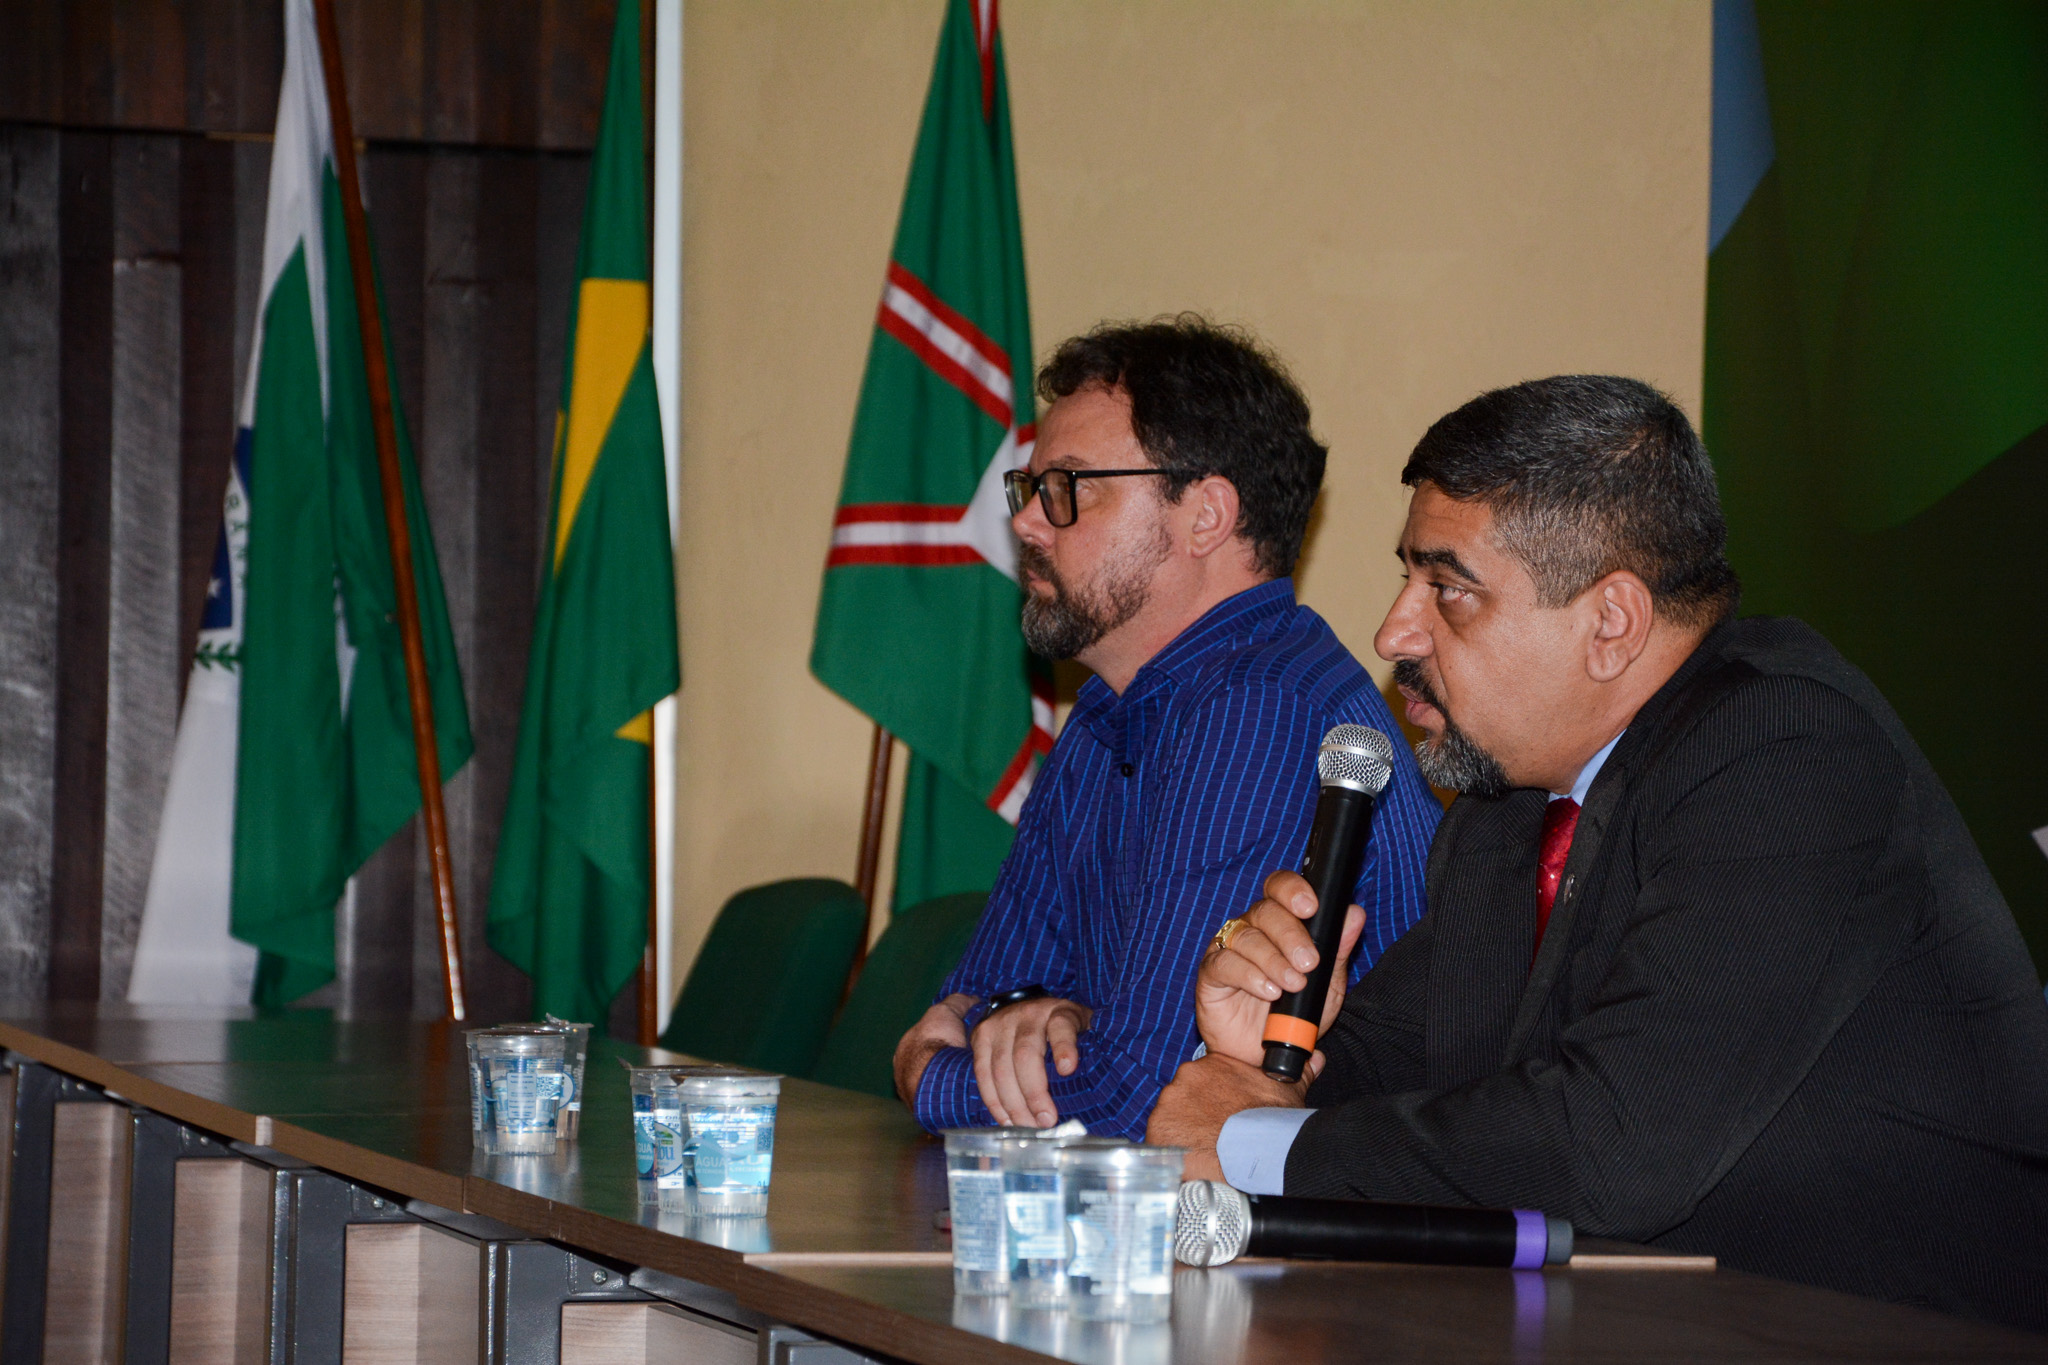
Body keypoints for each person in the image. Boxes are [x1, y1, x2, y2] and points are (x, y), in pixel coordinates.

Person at [1149, 375, 2048, 1328]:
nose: (1393, 630)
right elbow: (1409, 1065)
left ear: (1611, 623)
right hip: (1652, 1328)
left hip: (1898, 1337)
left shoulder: (1788, 749)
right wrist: (1273, 1058)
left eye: (1447, 588)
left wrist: (1262, 1142)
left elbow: (1617, 1146)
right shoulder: (1513, 797)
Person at [892, 317, 1441, 1141]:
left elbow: (1144, 1105)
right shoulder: (1111, 710)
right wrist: (1030, 1011)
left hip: (1325, 1242)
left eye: (1069, 487)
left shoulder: (1261, 706)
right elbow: (981, 996)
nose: (1028, 524)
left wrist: (925, 1076)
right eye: (1030, 488)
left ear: (1206, 515)